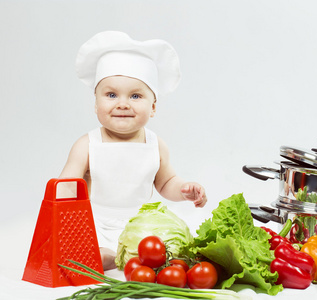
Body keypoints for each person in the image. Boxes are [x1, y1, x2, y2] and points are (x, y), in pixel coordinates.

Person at [59, 31, 207, 270]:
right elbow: (67, 186)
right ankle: (107, 256)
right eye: (111, 95)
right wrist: (61, 214)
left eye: (136, 95)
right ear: (96, 104)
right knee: (91, 247)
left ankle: (132, 256)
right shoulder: (87, 144)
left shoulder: (155, 144)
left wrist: (184, 189)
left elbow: (165, 181)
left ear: (153, 107)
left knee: (162, 246)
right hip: (94, 221)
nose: (123, 103)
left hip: (141, 223)